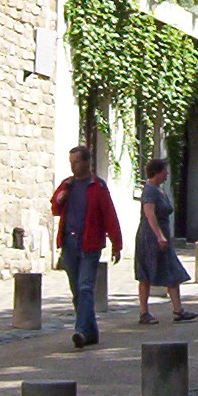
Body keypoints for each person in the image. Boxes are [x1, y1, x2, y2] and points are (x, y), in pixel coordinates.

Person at [51, 145, 123, 349]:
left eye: (76, 162)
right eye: (71, 162)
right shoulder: (68, 184)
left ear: (86, 163)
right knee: (77, 291)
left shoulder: (97, 186)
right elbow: (55, 208)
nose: (73, 166)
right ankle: (90, 331)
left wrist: (116, 244)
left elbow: (110, 216)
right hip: (69, 243)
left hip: (89, 244)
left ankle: (81, 330)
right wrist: (59, 200)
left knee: (85, 288)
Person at [134, 158, 198, 326]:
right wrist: (159, 236)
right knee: (146, 274)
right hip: (150, 238)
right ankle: (144, 312)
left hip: (161, 237)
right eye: (164, 170)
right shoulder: (150, 191)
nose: (167, 173)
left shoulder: (159, 190)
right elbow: (149, 214)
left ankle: (178, 310)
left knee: (171, 271)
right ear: (157, 172)